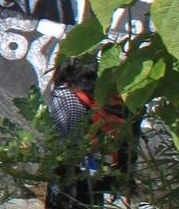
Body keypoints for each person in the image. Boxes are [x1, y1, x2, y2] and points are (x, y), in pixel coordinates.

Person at [45, 58, 135, 208]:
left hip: (73, 175)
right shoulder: (103, 91)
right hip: (100, 168)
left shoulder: (65, 94)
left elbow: (63, 145)